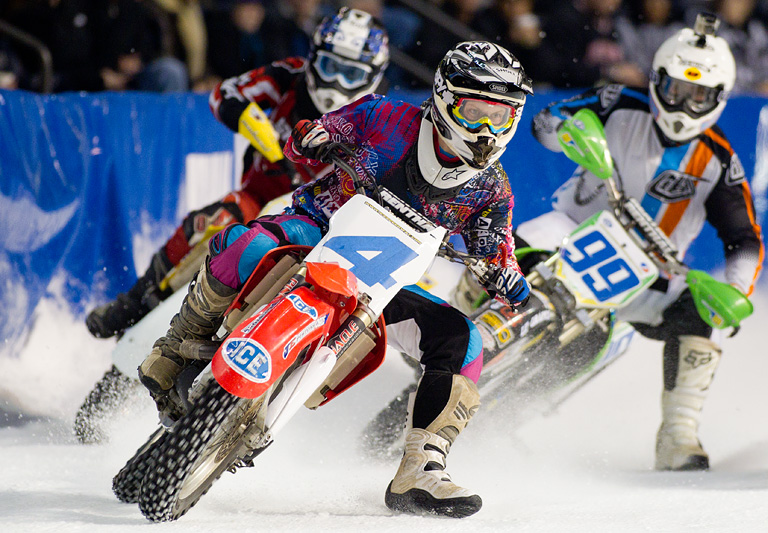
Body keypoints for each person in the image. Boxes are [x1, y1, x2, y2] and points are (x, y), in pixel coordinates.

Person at [137, 41, 534, 517]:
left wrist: (504, 276)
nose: (488, 130)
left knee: (464, 338)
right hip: (314, 232)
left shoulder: (492, 188)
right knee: (247, 243)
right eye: (475, 113)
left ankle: (422, 467)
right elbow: (313, 133)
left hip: (380, 285)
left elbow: (496, 252)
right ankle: (177, 345)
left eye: (502, 117)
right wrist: (312, 137)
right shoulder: (386, 115)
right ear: (446, 98)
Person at [523, 13, 763, 470]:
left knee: (698, 310)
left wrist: (737, 291)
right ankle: (459, 331)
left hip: (646, 276)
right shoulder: (616, 100)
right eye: (675, 90)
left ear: (718, 99)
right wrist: (568, 132)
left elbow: (744, 237)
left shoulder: (719, 160)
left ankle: (679, 434)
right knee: (513, 250)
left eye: (699, 96)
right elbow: (545, 124)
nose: (685, 105)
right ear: (656, 80)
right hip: (568, 234)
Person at [86, 7, 390, 338]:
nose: (336, 83)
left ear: (373, 76)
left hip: (324, 233)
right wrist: (261, 132)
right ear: (314, 58)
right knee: (206, 222)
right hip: (259, 201)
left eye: (351, 74)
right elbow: (224, 95)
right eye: (330, 67)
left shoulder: (381, 121)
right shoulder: (289, 75)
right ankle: (134, 303)